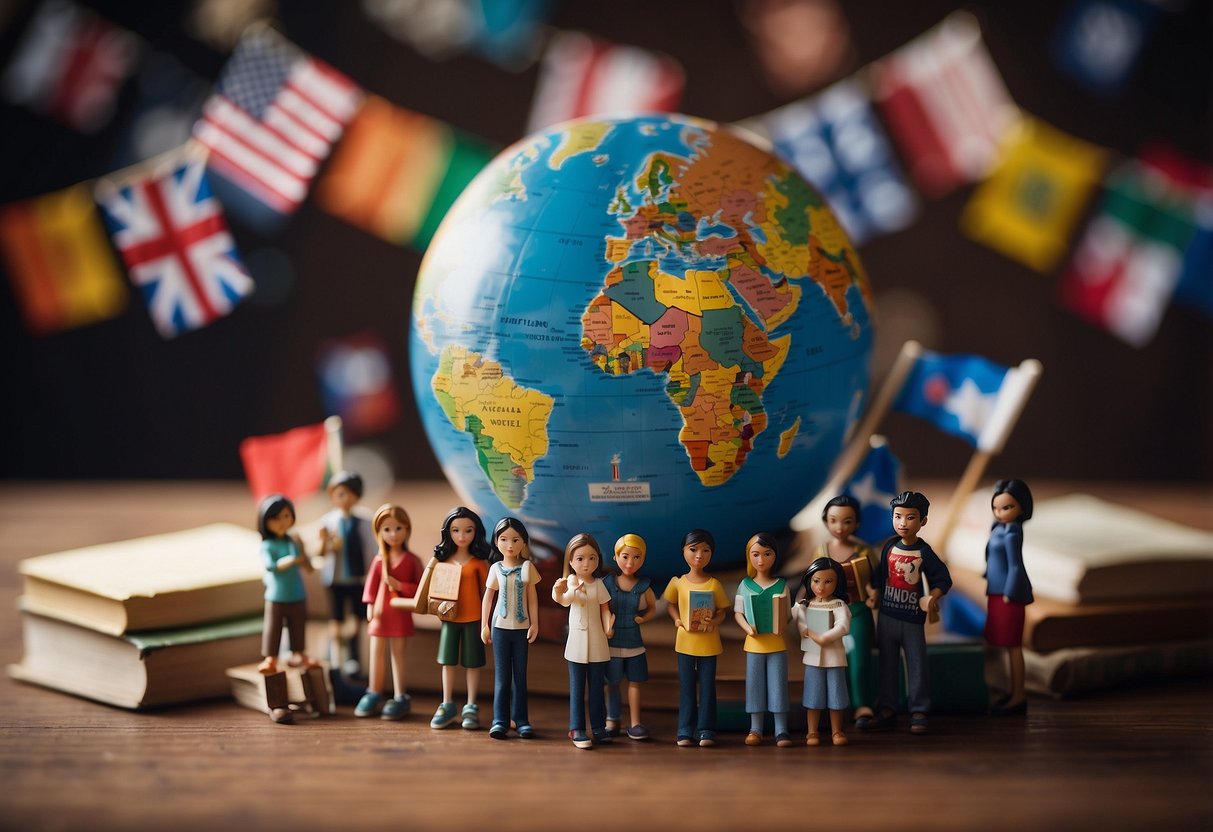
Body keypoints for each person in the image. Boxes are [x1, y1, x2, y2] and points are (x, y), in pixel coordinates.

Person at [863, 491, 952, 735]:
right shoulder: (889, 547)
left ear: (923, 521)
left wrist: (933, 597)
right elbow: (879, 577)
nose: (903, 523)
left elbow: (942, 579)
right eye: (898, 516)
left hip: (912, 618)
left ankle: (919, 709)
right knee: (887, 664)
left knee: (916, 664)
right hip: (887, 616)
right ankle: (887, 708)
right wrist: (873, 592)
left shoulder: (924, 552)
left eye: (910, 517)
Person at [420, 506, 491, 730]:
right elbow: (434, 590)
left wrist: (487, 622)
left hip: (473, 619)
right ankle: (447, 703)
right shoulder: (443, 562)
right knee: (448, 662)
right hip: (449, 619)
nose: (461, 536)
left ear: (476, 533)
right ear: (448, 532)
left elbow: (487, 593)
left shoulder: (479, 564)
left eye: (468, 531)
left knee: (473, 663)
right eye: (456, 530)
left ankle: (471, 705)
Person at [813, 495, 879, 722]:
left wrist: (874, 595)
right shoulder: (821, 550)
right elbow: (812, 581)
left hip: (857, 611)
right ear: (826, 522)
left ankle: (862, 703)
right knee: (833, 661)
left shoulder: (864, 551)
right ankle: (836, 704)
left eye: (847, 521)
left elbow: (876, 580)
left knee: (859, 660)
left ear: (857, 523)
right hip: (828, 614)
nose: (840, 527)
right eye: (833, 521)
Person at [663, 529, 731, 747]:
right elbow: (670, 603)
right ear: (684, 551)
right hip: (685, 642)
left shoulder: (714, 584)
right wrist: (676, 620)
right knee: (686, 687)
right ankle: (685, 729)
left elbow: (722, 610)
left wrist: (714, 622)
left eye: (705, 550)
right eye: (693, 550)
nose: (699, 555)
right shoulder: (677, 582)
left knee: (708, 687)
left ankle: (707, 729)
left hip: (708, 643)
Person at [355, 504, 422, 720]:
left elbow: (421, 589)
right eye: (387, 529)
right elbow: (371, 589)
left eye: (398, 528)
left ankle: (400, 695)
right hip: (379, 616)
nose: (393, 534)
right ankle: (374, 692)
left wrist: (401, 586)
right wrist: (370, 606)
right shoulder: (379, 561)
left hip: (400, 615)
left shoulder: (412, 561)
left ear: (407, 530)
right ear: (379, 533)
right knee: (376, 654)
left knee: (397, 655)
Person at [552, 533, 614, 748]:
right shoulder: (571, 581)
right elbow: (565, 601)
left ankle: (598, 726)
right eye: (580, 558)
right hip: (577, 643)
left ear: (598, 559)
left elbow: (605, 608)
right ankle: (576, 728)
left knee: (597, 687)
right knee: (577, 688)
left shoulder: (599, 584)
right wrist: (563, 592)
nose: (586, 563)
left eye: (591, 558)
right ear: (570, 561)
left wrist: (608, 625)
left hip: (597, 641)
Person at [481, 517, 541, 739]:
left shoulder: (527, 567)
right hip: (500, 628)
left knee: (520, 677)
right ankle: (500, 720)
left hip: (522, 628)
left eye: (515, 540)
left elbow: (532, 598)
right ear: (496, 542)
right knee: (502, 677)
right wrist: (484, 625)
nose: (510, 545)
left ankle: (522, 720)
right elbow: (488, 598)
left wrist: (535, 623)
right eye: (504, 539)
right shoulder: (495, 568)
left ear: (523, 542)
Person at [733, 532, 791, 747]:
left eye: (767, 554)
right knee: (754, 686)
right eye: (755, 554)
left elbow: (789, 613)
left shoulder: (782, 585)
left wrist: (782, 623)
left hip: (776, 643)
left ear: (775, 556)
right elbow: (738, 613)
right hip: (755, 643)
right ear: (749, 557)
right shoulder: (745, 585)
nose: (761, 560)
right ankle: (755, 728)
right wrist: (748, 628)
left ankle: (781, 729)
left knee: (778, 686)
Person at [984, 479, 1035, 716]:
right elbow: (993, 558)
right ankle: (1006, 689)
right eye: (996, 508)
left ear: (1021, 507)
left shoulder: (1013, 532)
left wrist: (1010, 592)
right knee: (998, 643)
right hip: (995, 592)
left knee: (1013, 645)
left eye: (1007, 508)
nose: (1000, 513)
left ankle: (1018, 695)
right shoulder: (997, 528)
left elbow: (1015, 565)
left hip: (1008, 595)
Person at [317, 471, 375, 677]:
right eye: (339, 494)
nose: (344, 499)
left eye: (348, 494)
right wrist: (327, 542)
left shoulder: (366, 521)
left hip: (358, 579)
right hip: (335, 579)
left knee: (356, 621)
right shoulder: (328, 521)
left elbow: (372, 548)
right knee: (336, 620)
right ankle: (334, 658)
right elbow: (321, 553)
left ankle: (353, 659)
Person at [256, 494, 319, 675]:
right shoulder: (268, 545)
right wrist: (291, 560)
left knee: (298, 625)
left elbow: (308, 566)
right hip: (276, 595)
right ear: (265, 521)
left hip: (297, 593)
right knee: (273, 628)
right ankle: (271, 658)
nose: (282, 522)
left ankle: (300, 654)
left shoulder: (293, 540)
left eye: (286, 516)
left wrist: (310, 551)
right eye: (276, 518)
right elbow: (271, 566)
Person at [603, 533, 657, 740]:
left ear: (642, 560)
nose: (630, 562)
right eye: (625, 556)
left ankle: (635, 723)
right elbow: (601, 608)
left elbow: (652, 607)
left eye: (636, 557)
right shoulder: (607, 584)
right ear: (616, 557)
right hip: (612, 642)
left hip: (634, 643)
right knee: (612, 682)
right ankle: (612, 719)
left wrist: (644, 618)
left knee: (635, 682)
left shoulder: (644, 587)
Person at [794, 557, 851, 746]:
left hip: (834, 657)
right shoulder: (805, 604)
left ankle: (837, 731)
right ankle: (812, 731)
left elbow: (843, 626)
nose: (821, 586)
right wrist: (803, 628)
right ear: (809, 581)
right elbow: (796, 615)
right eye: (816, 581)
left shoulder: (838, 605)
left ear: (838, 583)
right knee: (813, 695)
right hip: (812, 656)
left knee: (836, 694)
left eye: (828, 581)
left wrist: (826, 637)